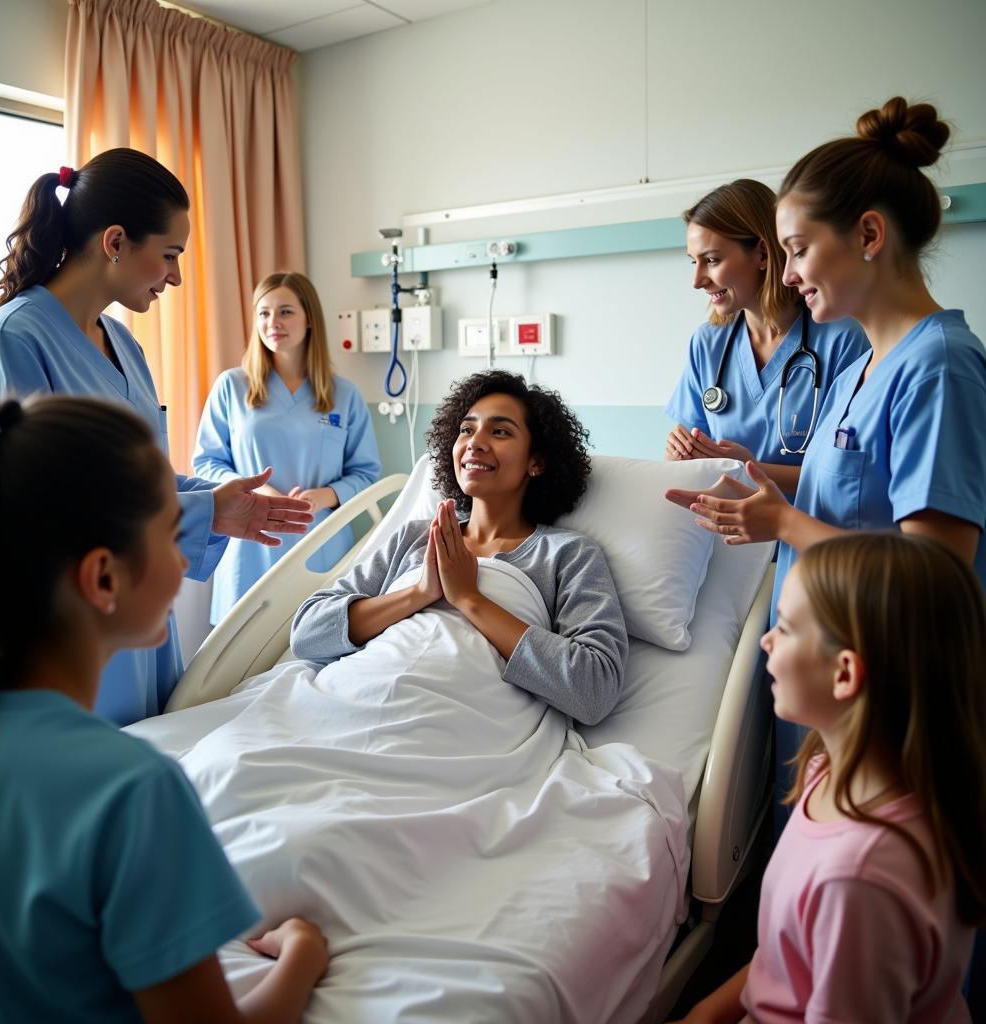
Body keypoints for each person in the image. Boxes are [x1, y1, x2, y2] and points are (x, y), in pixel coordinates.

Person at [665, 98, 986, 828]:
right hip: (825, 669)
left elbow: (935, 572)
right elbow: (835, 496)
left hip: (891, 683)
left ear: (869, 234)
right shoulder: (858, 370)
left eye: (798, 249)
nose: (790, 272)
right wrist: (755, 484)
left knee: (876, 905)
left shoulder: (937, 368)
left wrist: (780, 520)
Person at [0, 395, 328, 1022]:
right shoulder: (133, 792)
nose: (186, 558)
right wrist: (303, 955)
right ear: (103, 578)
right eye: (168, 531)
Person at [0, 149, 314, 725]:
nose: (176, 276)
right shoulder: (15, 341)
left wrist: (220, 503)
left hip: (137, 618)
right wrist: (199, 512)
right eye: (170, 254)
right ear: (116, 241)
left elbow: (140, 473)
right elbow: (30, 509)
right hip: (65, 628)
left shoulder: (124, 346)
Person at [669, 533, 985, 1023]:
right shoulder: (828, 773)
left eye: (788, 628)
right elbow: (786, 958)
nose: (767, 638)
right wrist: (705, 1015)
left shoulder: (861, 881)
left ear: (844, 675)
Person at [290, 368, 628, 726]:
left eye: (499, 431)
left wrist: (470, 598)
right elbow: (308, 634)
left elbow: (595, 691)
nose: (475, 442)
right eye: (467, 429)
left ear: (537, 461)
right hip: (351, 699)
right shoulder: (415, 537)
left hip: (457, 725)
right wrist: (420, 592)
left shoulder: (566, 554)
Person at [192, 271, 380, 624]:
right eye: (263, 313)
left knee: (319, 652)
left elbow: (367, 473)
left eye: (285, 312)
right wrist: (258, 488)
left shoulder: (344, 395)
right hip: (251, 544)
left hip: (322, 545)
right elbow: (206, 463)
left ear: (309, 319)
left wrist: (325, 496)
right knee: (242, 663)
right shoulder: (232, 386)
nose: (272, 322)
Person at [665, 179, 867, 494]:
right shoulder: (707, 344)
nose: (697, 280)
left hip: (809, 535)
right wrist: (679, 454)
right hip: (728, 535)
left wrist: (752, 470)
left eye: (712, 260)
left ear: (761, 253)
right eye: (694, 261)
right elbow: (696, 460)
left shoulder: (842, 340)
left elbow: (852, 477)